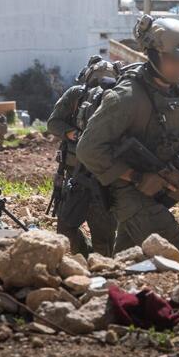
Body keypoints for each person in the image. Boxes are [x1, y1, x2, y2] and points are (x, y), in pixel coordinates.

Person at [76, 16, 179, 260]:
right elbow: (88, 149)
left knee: (129, 259)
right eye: (175, 60)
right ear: (154, 55)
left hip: (162, 192)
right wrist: (136, 176)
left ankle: (111, 290)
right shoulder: (127, 98)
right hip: (129, 194)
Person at [46, 56, 120, 255]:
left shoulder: (119, 100)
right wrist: (74, 134)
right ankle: (86, 258)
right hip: (75, 176)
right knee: (65, 229)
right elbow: (53, 123)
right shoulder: (76, 95)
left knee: (103, 238)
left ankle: (102, 271)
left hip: (104, 179)